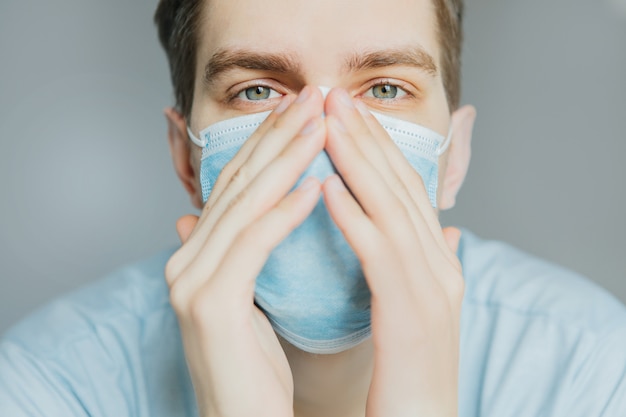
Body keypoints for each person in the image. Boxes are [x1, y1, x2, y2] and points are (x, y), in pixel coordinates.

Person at [1, 0, 625, 416]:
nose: (324, 140)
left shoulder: (590, 373)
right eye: (257, 91)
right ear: (187, 159)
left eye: (385, 89)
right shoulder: (47, 387)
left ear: (454, 156)